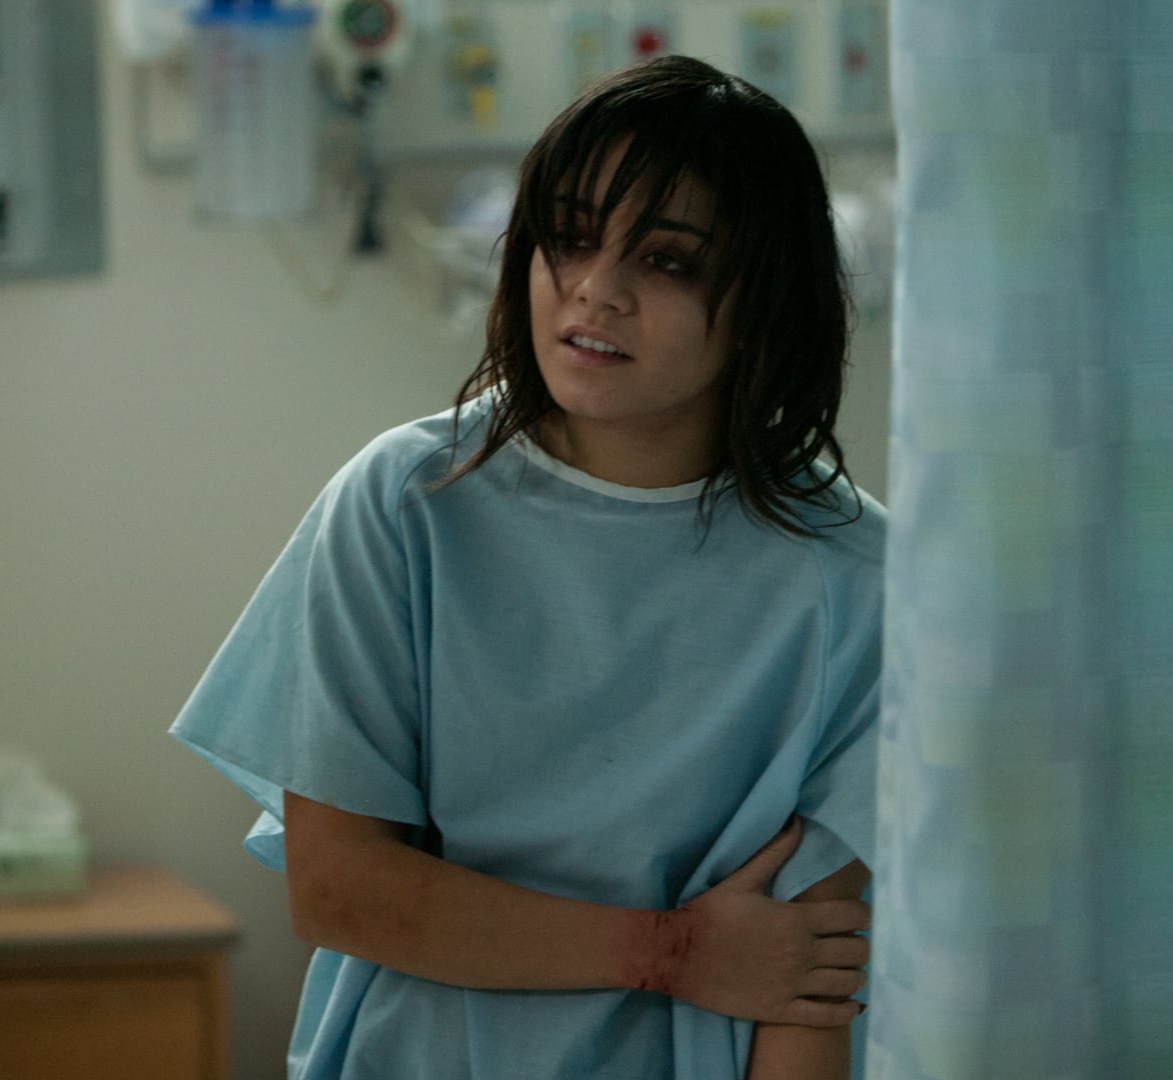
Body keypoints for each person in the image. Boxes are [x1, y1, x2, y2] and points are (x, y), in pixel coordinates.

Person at [171, 55, 885, 1080]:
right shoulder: (407, 505)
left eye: (668, 261)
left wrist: (713, 964)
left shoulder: (855, 579)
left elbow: (805, 975)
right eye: (571, 237)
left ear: (766, 304)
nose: (597, 290)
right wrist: (671, 953)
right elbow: (340, 892)